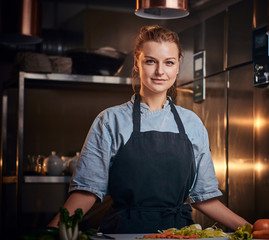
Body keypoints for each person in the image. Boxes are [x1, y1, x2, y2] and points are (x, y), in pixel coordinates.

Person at [48, 25, 250, 233]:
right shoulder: (109, 120)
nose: (160, 71)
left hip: (178, 236)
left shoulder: (192, 123)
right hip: (124, 234)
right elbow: (87, 193)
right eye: (150, 61)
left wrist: (253, 230)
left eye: (169, 62)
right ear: (137, 63)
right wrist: (51, 233)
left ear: (178, 65)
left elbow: (205, 197)